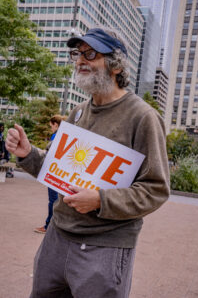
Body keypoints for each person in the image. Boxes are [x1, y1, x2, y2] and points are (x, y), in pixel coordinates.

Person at [6, 27, 170, 298]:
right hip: (57, 238)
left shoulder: (143, 117)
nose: (80, 60)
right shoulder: (78, 111)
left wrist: (100, 200)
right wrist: (28, 154)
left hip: (104, 247)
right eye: (76, 54)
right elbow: (59, 168)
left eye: (90, 53)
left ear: (116, 65)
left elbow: (156, 189)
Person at [34, 114, 66, 234]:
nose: (51, 128)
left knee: (53, 200)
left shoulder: (56, 135)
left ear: (55, 124)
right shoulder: (64, 135)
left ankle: (48, 226)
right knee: (57, 200)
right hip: (61, 171)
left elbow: (51, 153)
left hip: (54, 171)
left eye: (51, 126)